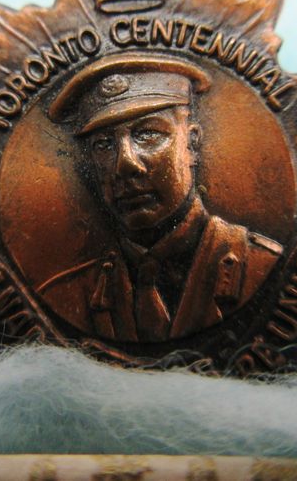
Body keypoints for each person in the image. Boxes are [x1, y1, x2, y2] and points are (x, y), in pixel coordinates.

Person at [37, 52, 282, 342]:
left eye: (147, 134)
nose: (125, 164)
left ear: (191, 144)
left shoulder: (264, 268)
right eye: (103, 145)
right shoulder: (66, 296)